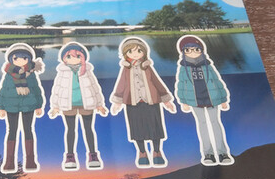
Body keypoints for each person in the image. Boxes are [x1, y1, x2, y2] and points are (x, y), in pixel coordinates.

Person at [110, 37, 176, 168]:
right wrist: (117, 101)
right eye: (131, 51)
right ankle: (142, 152)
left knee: (155, 127)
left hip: (151, 101)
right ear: (125, 53)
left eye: (139, 51)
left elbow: (156, 82)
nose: (135, 54)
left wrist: (166, 100)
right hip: (132, 102)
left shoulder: (147, 67)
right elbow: (122, 84)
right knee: (136, 128)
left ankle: (157, 152)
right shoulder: (126, 69)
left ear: (144, 52)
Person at [174, 35, 233, 166]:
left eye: (196, 49)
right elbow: (181, 84)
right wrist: (183, 101)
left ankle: (222, 153)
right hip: (194, 100)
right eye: (188, 50)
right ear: (183, 52)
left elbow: (217, 81)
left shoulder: (208, 65)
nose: (192, 53)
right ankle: (208, 154)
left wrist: (223, 98)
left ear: (201, 50)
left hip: (212, 98)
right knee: (202, 124)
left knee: (215, 123)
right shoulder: (183, 67)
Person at [49, 42, 108, 171]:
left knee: (88, 129)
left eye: (77, 56)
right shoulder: (62, 72)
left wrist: (99, 104)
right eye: (69, 56)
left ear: (83, 58)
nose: (73, 59)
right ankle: (70, 156)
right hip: (68, 104)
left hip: (86, 104)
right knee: (70, 130)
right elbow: (57, 89)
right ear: (64, 58)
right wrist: (55, 106)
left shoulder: (87, 71)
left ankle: (93, 155)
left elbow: (94, 87)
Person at [0, 43, 45, 174]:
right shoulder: (9, 74)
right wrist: (1, 106)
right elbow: (4, 90)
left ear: (29, 59)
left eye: (24, 58)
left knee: (28, 130)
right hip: (11, 106)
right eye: (16, 58)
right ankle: (9, 161)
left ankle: (30, 160)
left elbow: (36, 89)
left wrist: (39, 105)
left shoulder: (31, 74)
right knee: (12, 131)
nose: (20, 61)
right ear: (11, 59)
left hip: (29, 104)